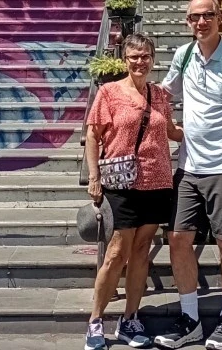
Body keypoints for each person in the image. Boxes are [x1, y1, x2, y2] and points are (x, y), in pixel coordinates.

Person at [155, 0, 222, 350]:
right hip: (189, 166)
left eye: (207, 16)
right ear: (187, 22)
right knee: (177, 238)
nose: (200, 22)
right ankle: (190, 320)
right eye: (193, 17)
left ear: (220, 18)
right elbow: (162, 93)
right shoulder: (183, 56)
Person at [84, 33, 184, 350]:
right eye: (134, 56)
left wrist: (210, 128)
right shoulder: (109, 92)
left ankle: (130, 319)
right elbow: (92, 135)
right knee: (116, 253)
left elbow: (172, 131)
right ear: (125, 60)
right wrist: (94, 177)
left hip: (157, 183)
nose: (140, 62)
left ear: (153, 60)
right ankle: (95, 321)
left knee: (142, 252)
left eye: (145, 56)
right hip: (122, 184)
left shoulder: (159, 96)